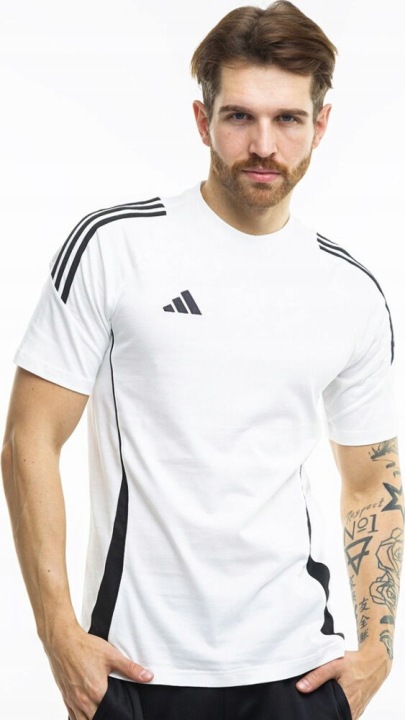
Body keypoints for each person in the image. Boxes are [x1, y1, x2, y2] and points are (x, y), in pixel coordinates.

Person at [2, 1, 403, 719]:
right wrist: (58, 633)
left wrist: (378, 648)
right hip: (136, 668)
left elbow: (372, 481)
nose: (263, 145)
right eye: (239, 116)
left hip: (300, 675)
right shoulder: (115, 247)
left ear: (320, 125)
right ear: (201, 120)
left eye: (288, 119)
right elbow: (29, 439)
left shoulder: (350, 290)